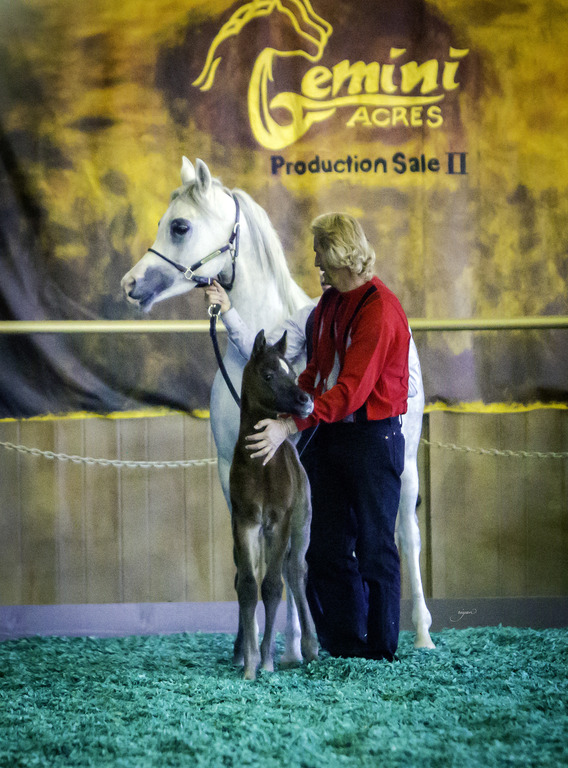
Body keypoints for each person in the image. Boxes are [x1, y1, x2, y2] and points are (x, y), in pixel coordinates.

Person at [205, 213, 412, 661]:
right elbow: (315, 373)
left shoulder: (378, 310)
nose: (314, 258)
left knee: (375, 546)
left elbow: (351, 391)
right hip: (333, 436)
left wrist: (291, 426)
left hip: (372, 438)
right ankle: (345, 645)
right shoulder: (329, 305)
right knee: (325, 546)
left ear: (337, 252)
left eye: (319, 249)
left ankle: (381, 651)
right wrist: (296, 408)